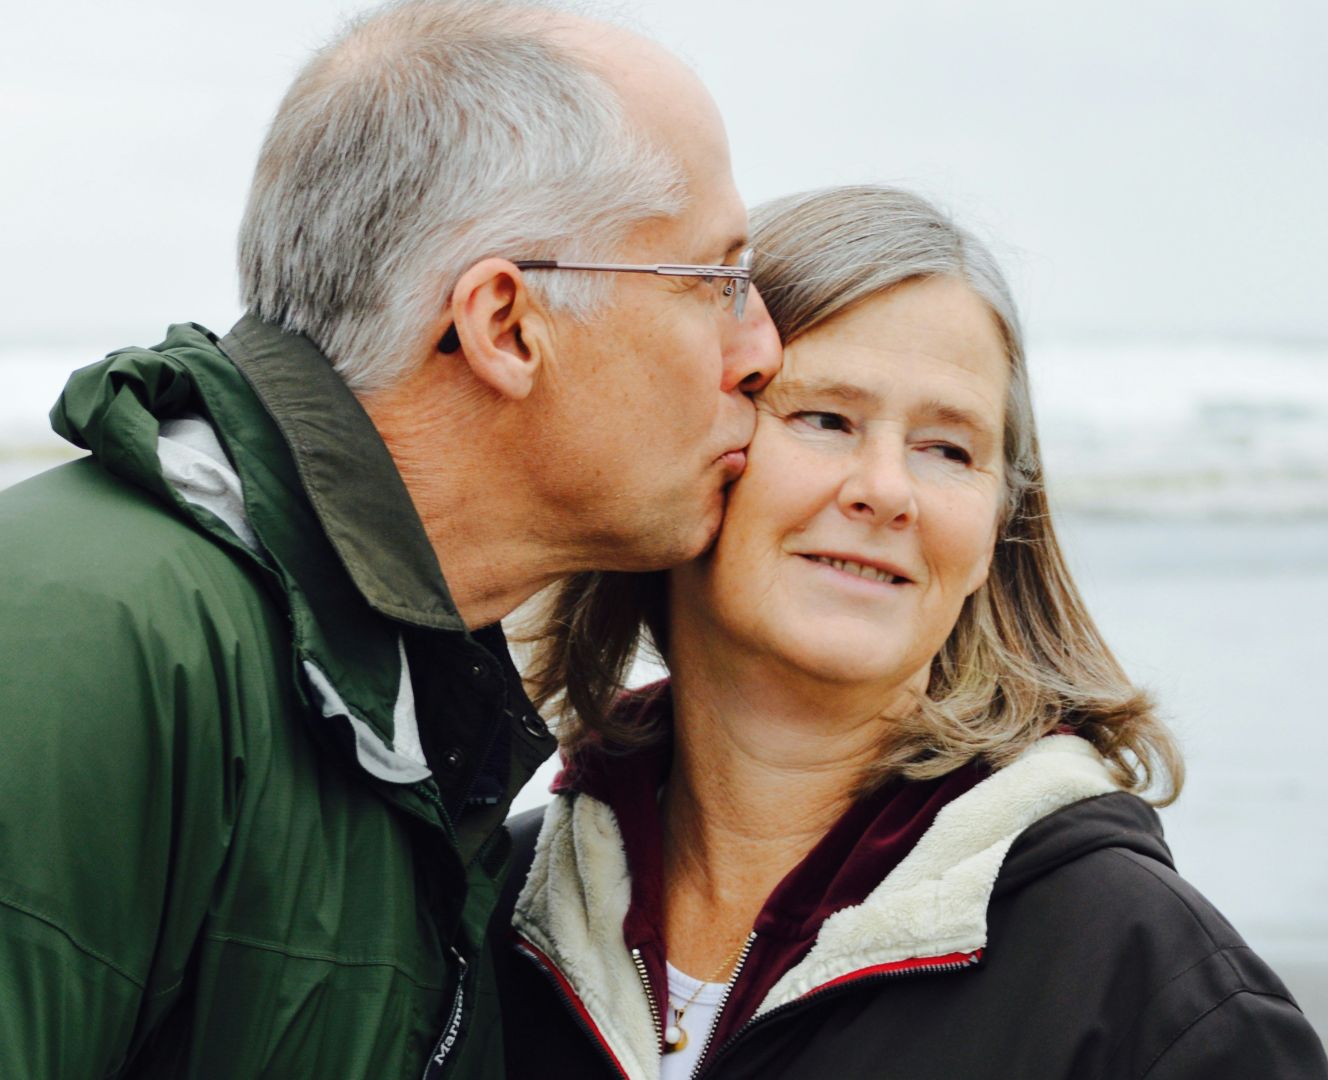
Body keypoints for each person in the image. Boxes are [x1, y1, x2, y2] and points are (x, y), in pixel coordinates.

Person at [0, 2, 780, 1077]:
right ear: (503, 324)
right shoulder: (57, 643)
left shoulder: (386, 694)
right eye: (718, 279)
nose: (761, 350)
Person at [495, 185, 1328, 1079]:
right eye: (825, 419)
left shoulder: (1156, 991)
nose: (886, 490)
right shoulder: (490, 911)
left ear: (997, 534)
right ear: (693, 448)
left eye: (948, 449)